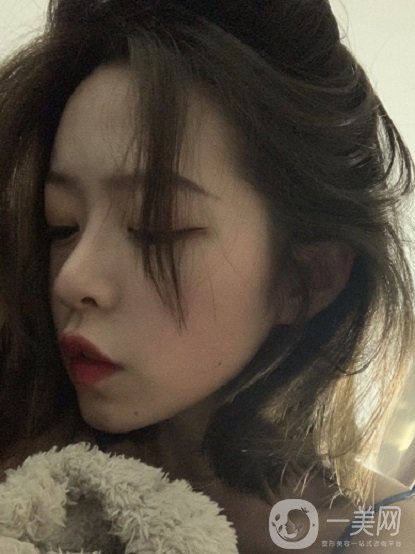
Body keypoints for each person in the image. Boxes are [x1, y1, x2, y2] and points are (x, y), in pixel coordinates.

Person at [0, 1, 414, 552]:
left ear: (304, 280)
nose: (72, 279)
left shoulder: (383, 537)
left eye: (155, 229)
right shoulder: (31, 486)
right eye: (62, 225)